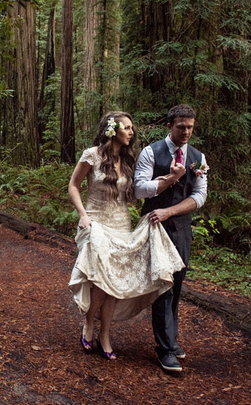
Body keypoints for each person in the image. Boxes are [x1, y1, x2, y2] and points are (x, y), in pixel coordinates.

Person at [68, 111, 185, 361]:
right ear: (113, 131)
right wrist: (82, 215)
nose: (132, 132)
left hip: (121, 224)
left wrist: (168, 180)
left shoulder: (128, 160)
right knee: (100, 276)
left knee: (114, 280)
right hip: (95, 220)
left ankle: (106, 334)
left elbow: (135, 194)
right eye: (127, 128)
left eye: (132, 128)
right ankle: (90, 324)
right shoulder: (91, 155)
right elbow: (73, 185)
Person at [134, 104, 208, 372]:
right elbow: (140, 189)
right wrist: (168, 180)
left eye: (190, 127)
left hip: (182, 228)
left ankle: (171, 339)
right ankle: (165, 349)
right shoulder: (150, 152)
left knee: (177, 285)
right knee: (163, 286)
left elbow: (200, 196)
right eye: (181, 127)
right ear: (169, 126)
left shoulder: (198, 157)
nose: (186, 131)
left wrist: (171, 211)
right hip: (155, 229)